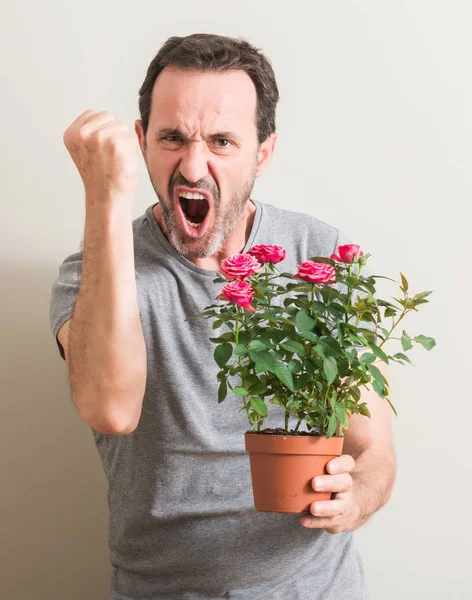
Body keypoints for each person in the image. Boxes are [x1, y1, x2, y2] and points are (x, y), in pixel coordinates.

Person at [50, 33, 396, 600]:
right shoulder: (93, 274)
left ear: (263, 151)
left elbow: (373, 445)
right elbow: (109, 409)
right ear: (141, 143)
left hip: (317, 588)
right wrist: (103, 199)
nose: (193, 165)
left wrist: (357, 494)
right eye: (171, 138)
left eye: (221, 141)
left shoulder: (318, 251)